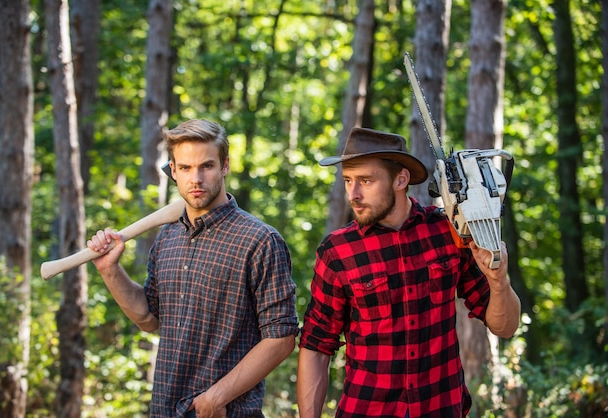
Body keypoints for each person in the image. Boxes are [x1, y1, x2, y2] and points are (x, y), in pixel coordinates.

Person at [296, 127, 521, 418]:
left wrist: (498, 280)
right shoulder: (338, 251)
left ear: (401, 179)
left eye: (366, 180)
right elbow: (316, 345)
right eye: (348, 181)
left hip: (441, 408)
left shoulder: (447, 232)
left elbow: (505, 327)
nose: (353, 194)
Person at [87, 119, 299, 418]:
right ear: (173, 171)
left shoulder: (260, 240)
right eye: (185, 168)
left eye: (206, 166)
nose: (195, 178)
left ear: (225, 166)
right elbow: (149, 319)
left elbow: (281, 338)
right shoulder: (167, 239)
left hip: (224, 412)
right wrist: (110, 271)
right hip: (164, 409)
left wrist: (216, 397)